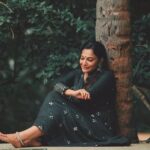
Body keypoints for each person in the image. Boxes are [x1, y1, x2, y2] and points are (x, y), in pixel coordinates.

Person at [0, 41, 130, 147]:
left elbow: (86, 97)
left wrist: (70, 94)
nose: (84, 63)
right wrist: (71, 92)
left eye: (90, 60)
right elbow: (57, 85)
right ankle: (33, 139)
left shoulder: (106, 76)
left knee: (57, 100)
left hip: (98, 127)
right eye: (82, 58)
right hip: (80, 120)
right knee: (54, 96)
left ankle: (23, 137)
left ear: (99, 61)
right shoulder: (77, 74)